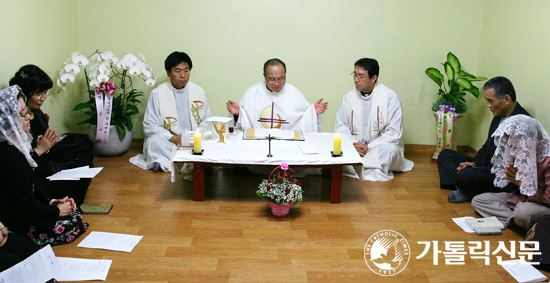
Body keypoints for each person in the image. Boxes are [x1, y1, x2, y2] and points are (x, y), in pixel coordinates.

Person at [0, 85, 88, 247]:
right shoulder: (8, 155)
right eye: (21, 114)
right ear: (8, 120)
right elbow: (21, 203)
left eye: (26, 112)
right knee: (73, 222)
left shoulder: (18, 144)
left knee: (74, 214)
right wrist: (55, 211)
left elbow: (30, 186)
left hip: (31, 208)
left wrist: (52, 202)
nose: (28, 117)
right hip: (16, 222)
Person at [9, 65, 93, 206]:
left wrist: (50, 144)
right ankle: (62, 205)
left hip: (46, 164)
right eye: (39, 94)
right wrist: (40, 149)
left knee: (85, 163)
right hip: (36, 177)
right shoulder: (14, 122)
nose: (43, 98)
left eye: (45, 93)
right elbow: (18, 168)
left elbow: (47, 146)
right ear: (25, 93)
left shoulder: (37, 113)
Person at [438, 76, 531, 203]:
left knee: (466, 174)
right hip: (485, 166)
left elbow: (511, 166)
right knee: (445, 155)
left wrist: (478, 170)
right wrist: (475, 163)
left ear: (507, 99)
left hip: (501, 175)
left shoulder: (522, 124)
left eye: (490, 101)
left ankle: (468, 187)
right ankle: (468, 188)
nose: (488, 105)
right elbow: (487, 146)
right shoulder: (499, 115)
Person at [130, 51, 211, 173]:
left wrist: (195, 136)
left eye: (186, 70)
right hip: (170, 141)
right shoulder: (157, 93)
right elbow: (150, 125)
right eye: (177, 71)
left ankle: (165, 162)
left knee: (211, 142)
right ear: (168, 73)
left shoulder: (198, 91)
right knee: (154, 142)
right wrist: (173, 138)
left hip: (193, 140)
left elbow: (206, 119)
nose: (183, 75)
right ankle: (187, 163)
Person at [334, 58, 414, 181]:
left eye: (361, 76)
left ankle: (355, 165)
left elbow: (394, 132)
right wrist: (354, 145)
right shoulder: (349, 97)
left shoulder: (390, 97)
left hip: (377, 148)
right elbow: (341, 125)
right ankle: (367, 165)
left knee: (390, 151)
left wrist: (369, 147)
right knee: (335, 146)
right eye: (355, 75)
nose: (356, 79)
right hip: (355, 148)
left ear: (373, 78)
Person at [471, 115, 550, 231]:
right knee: (479, 200)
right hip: (521, 200)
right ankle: (518, 223)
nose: (512, 148)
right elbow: (515, 189)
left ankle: (521, 222)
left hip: (542, 205)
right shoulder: (521, 155)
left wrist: (522, 184)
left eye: (515, 143)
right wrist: (514, 181)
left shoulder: (547, 160)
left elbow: (548, 199)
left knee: (522, 212)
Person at [226, 58, 328, 132]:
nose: (276, 83)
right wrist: (238, 114)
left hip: (287, 145)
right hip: (258, 144)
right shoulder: (252, 93)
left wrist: (313, 113)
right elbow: (244, 123)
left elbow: (304, 122)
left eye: (280, 79)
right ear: (264, 76)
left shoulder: (295, 93)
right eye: (272, 79)